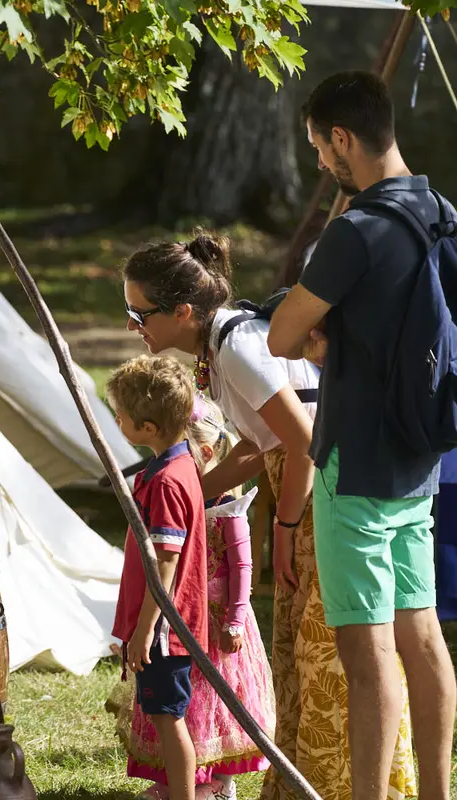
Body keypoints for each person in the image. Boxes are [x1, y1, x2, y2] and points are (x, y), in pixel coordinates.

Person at [120, 231, 416, 799]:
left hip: (330, 485)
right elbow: (256, 448)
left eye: (140, 314)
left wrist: (282, 528)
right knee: (297, 651)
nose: (135, 327)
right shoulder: (218, 346)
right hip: (306, 483)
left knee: (326, 649)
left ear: (182, 312)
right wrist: (192, 496)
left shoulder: (234, 345)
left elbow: (303, 444)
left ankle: (345, 787)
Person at [268, 70, 457, 800]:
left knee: (366, 646)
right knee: (422, 632)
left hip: (355, 463)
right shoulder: (440, 211)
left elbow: (283, 336)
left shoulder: (355, 231)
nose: (320, 162)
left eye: (320, 147)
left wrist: (318, 335)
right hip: (421, 456)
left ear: (343, 139)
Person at [115, 395, 276, 800]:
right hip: (185, 618)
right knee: (187, 705)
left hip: (217, 623)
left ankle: (217, 783)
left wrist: (236, 618)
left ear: (205, 453)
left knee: (214, 709)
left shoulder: (226, 509)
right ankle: (180, 781)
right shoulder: (178, 496)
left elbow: (241, 568)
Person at [106, 355, 210, 800]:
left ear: (147, 428)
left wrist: (144, 631)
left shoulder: (167, 481)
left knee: (169, 718)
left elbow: (166, 562)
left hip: (165, 629)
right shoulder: (177, 464)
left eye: (121, 416)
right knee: (167, 713)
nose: (116, 420)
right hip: (165, 627)